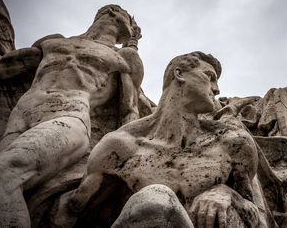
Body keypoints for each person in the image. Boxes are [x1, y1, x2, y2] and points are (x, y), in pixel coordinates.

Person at [68, 52, 268, 227]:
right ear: (179, 74)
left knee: (157, 198)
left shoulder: (232, 142)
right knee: (156, 199)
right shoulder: (119, 146)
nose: (216, 90)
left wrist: (228, 194)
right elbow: (75, 212)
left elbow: (256, 217)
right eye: (210, 77)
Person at [0, 4, 143, 228]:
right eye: (129, 20)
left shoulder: (125, 56)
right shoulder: (54, 41)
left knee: (3, 174)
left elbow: (129, 112)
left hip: (69, 117)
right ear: (112, 12)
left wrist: (117, 163)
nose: (133, 27)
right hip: (20, 117)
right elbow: (5, 69)